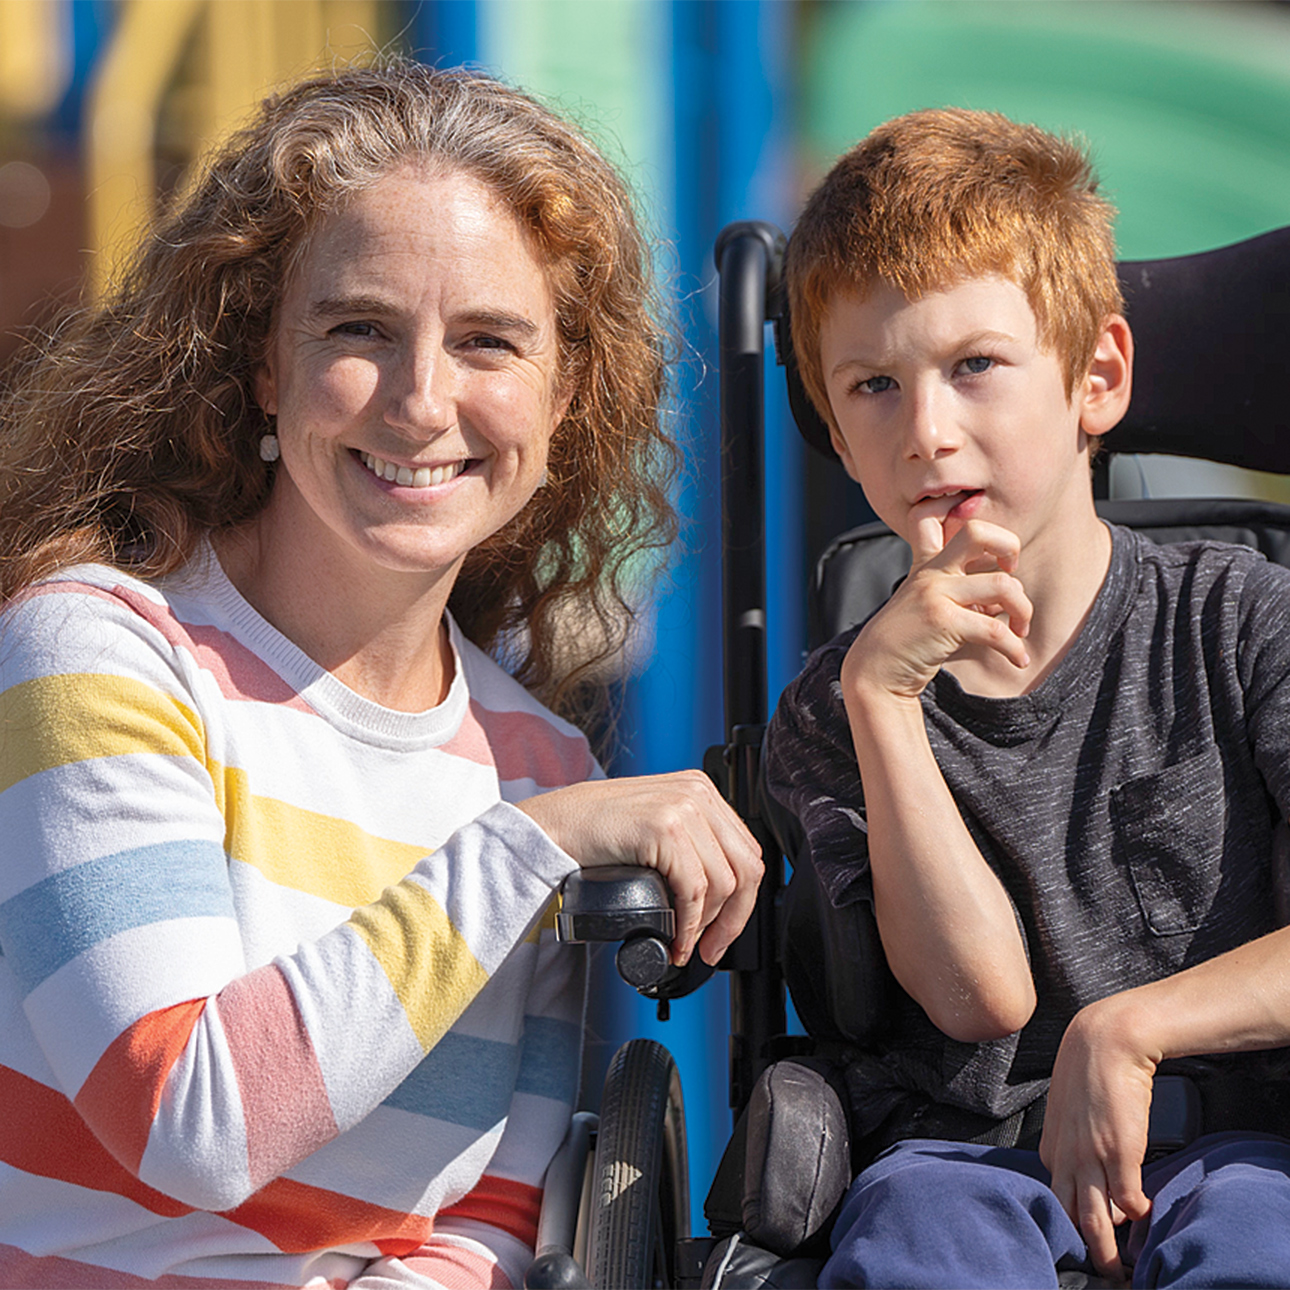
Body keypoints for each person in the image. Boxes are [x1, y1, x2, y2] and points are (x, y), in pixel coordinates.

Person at [0, 62, 762, 1290]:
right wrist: (523, 849)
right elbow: (187, 1117)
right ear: (263, 363)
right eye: (360, 329)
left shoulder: (536, 765)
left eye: (487, 344)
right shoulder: (96, 654)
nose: (421, 401)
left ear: (564, 395)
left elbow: (498, 1208)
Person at [763, 107, 1290, 1288]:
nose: (927, 432)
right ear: (839, 435)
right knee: (916, 1240)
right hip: (960, 1155)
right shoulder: (835, 705)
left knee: (1262, 1239)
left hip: (1243, 1145)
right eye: (874, 387)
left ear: (1096, 376)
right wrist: (887, 707)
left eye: (975, 367)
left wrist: (1133, 1024)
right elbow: (977, 1000)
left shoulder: (1246, 623)